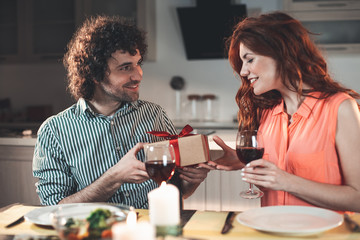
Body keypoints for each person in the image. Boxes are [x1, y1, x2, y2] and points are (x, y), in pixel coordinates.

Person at [33, 15, 209, 208]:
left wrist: (190, 182)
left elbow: (175, 191)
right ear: (95, 74)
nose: (138, 75)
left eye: (138, 64)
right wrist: (115, 177)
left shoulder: (154, 115)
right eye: (125, 67)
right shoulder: (54, 131)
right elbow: (54, 208)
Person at [211, 12, 360, 212]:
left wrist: (286, 181)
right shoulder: (266, 113)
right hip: (271, 230)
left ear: (280, 52)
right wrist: (240, 160)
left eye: (249, 59)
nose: (243, 72)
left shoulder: (340, 108)